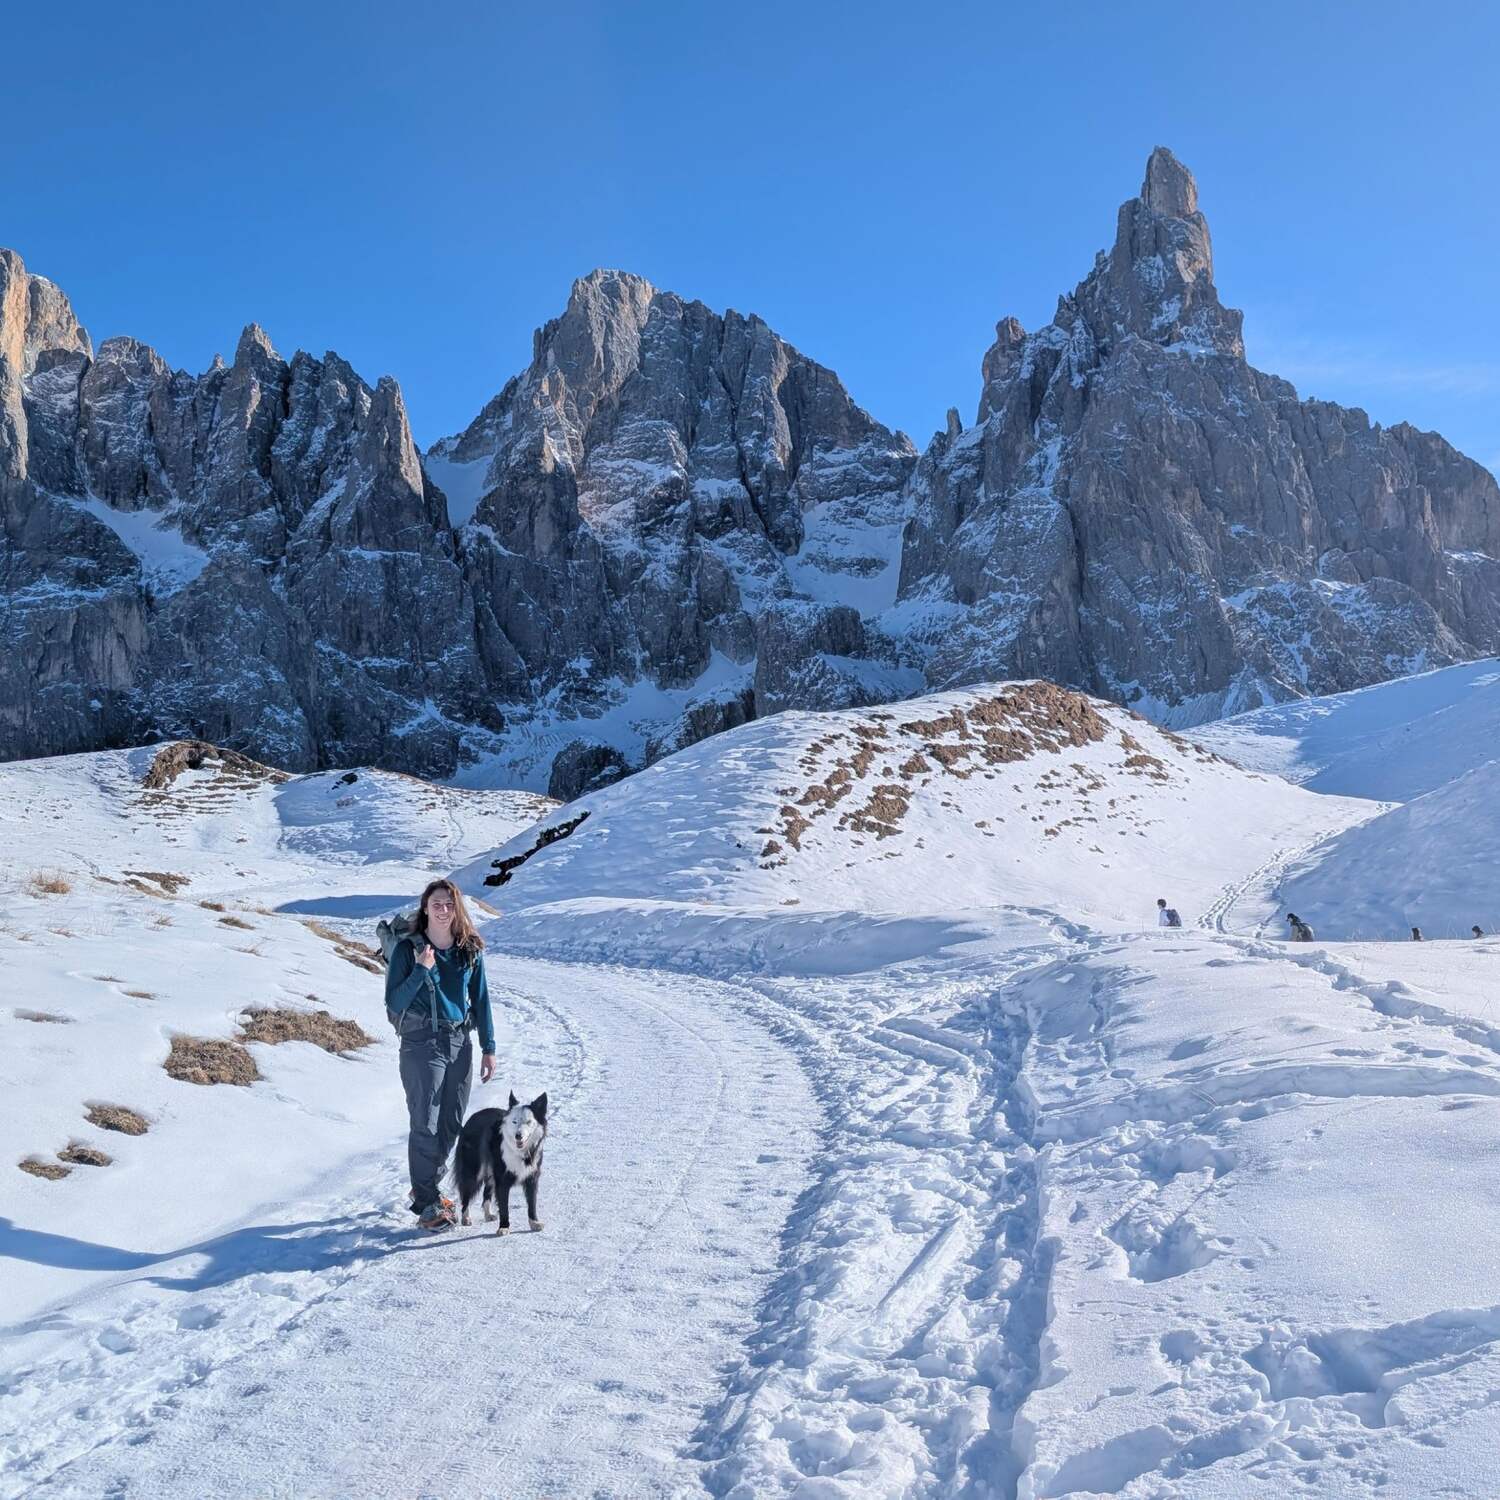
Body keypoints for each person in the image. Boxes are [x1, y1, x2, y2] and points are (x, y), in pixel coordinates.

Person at [384, 879, 496, 1231]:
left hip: (459, 1043)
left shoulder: (468, 950)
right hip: (420, 1044)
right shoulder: (407, 949)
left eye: (449, 903)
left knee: (450, 1123)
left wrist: (489, 1048)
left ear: (457, 907)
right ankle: (428, 1202)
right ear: (425, 906)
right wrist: (421, 969)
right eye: (437, 903)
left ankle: (426, 1190)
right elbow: (395, 1001)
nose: (443, 909)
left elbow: (481, 999)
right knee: (425, 1122)